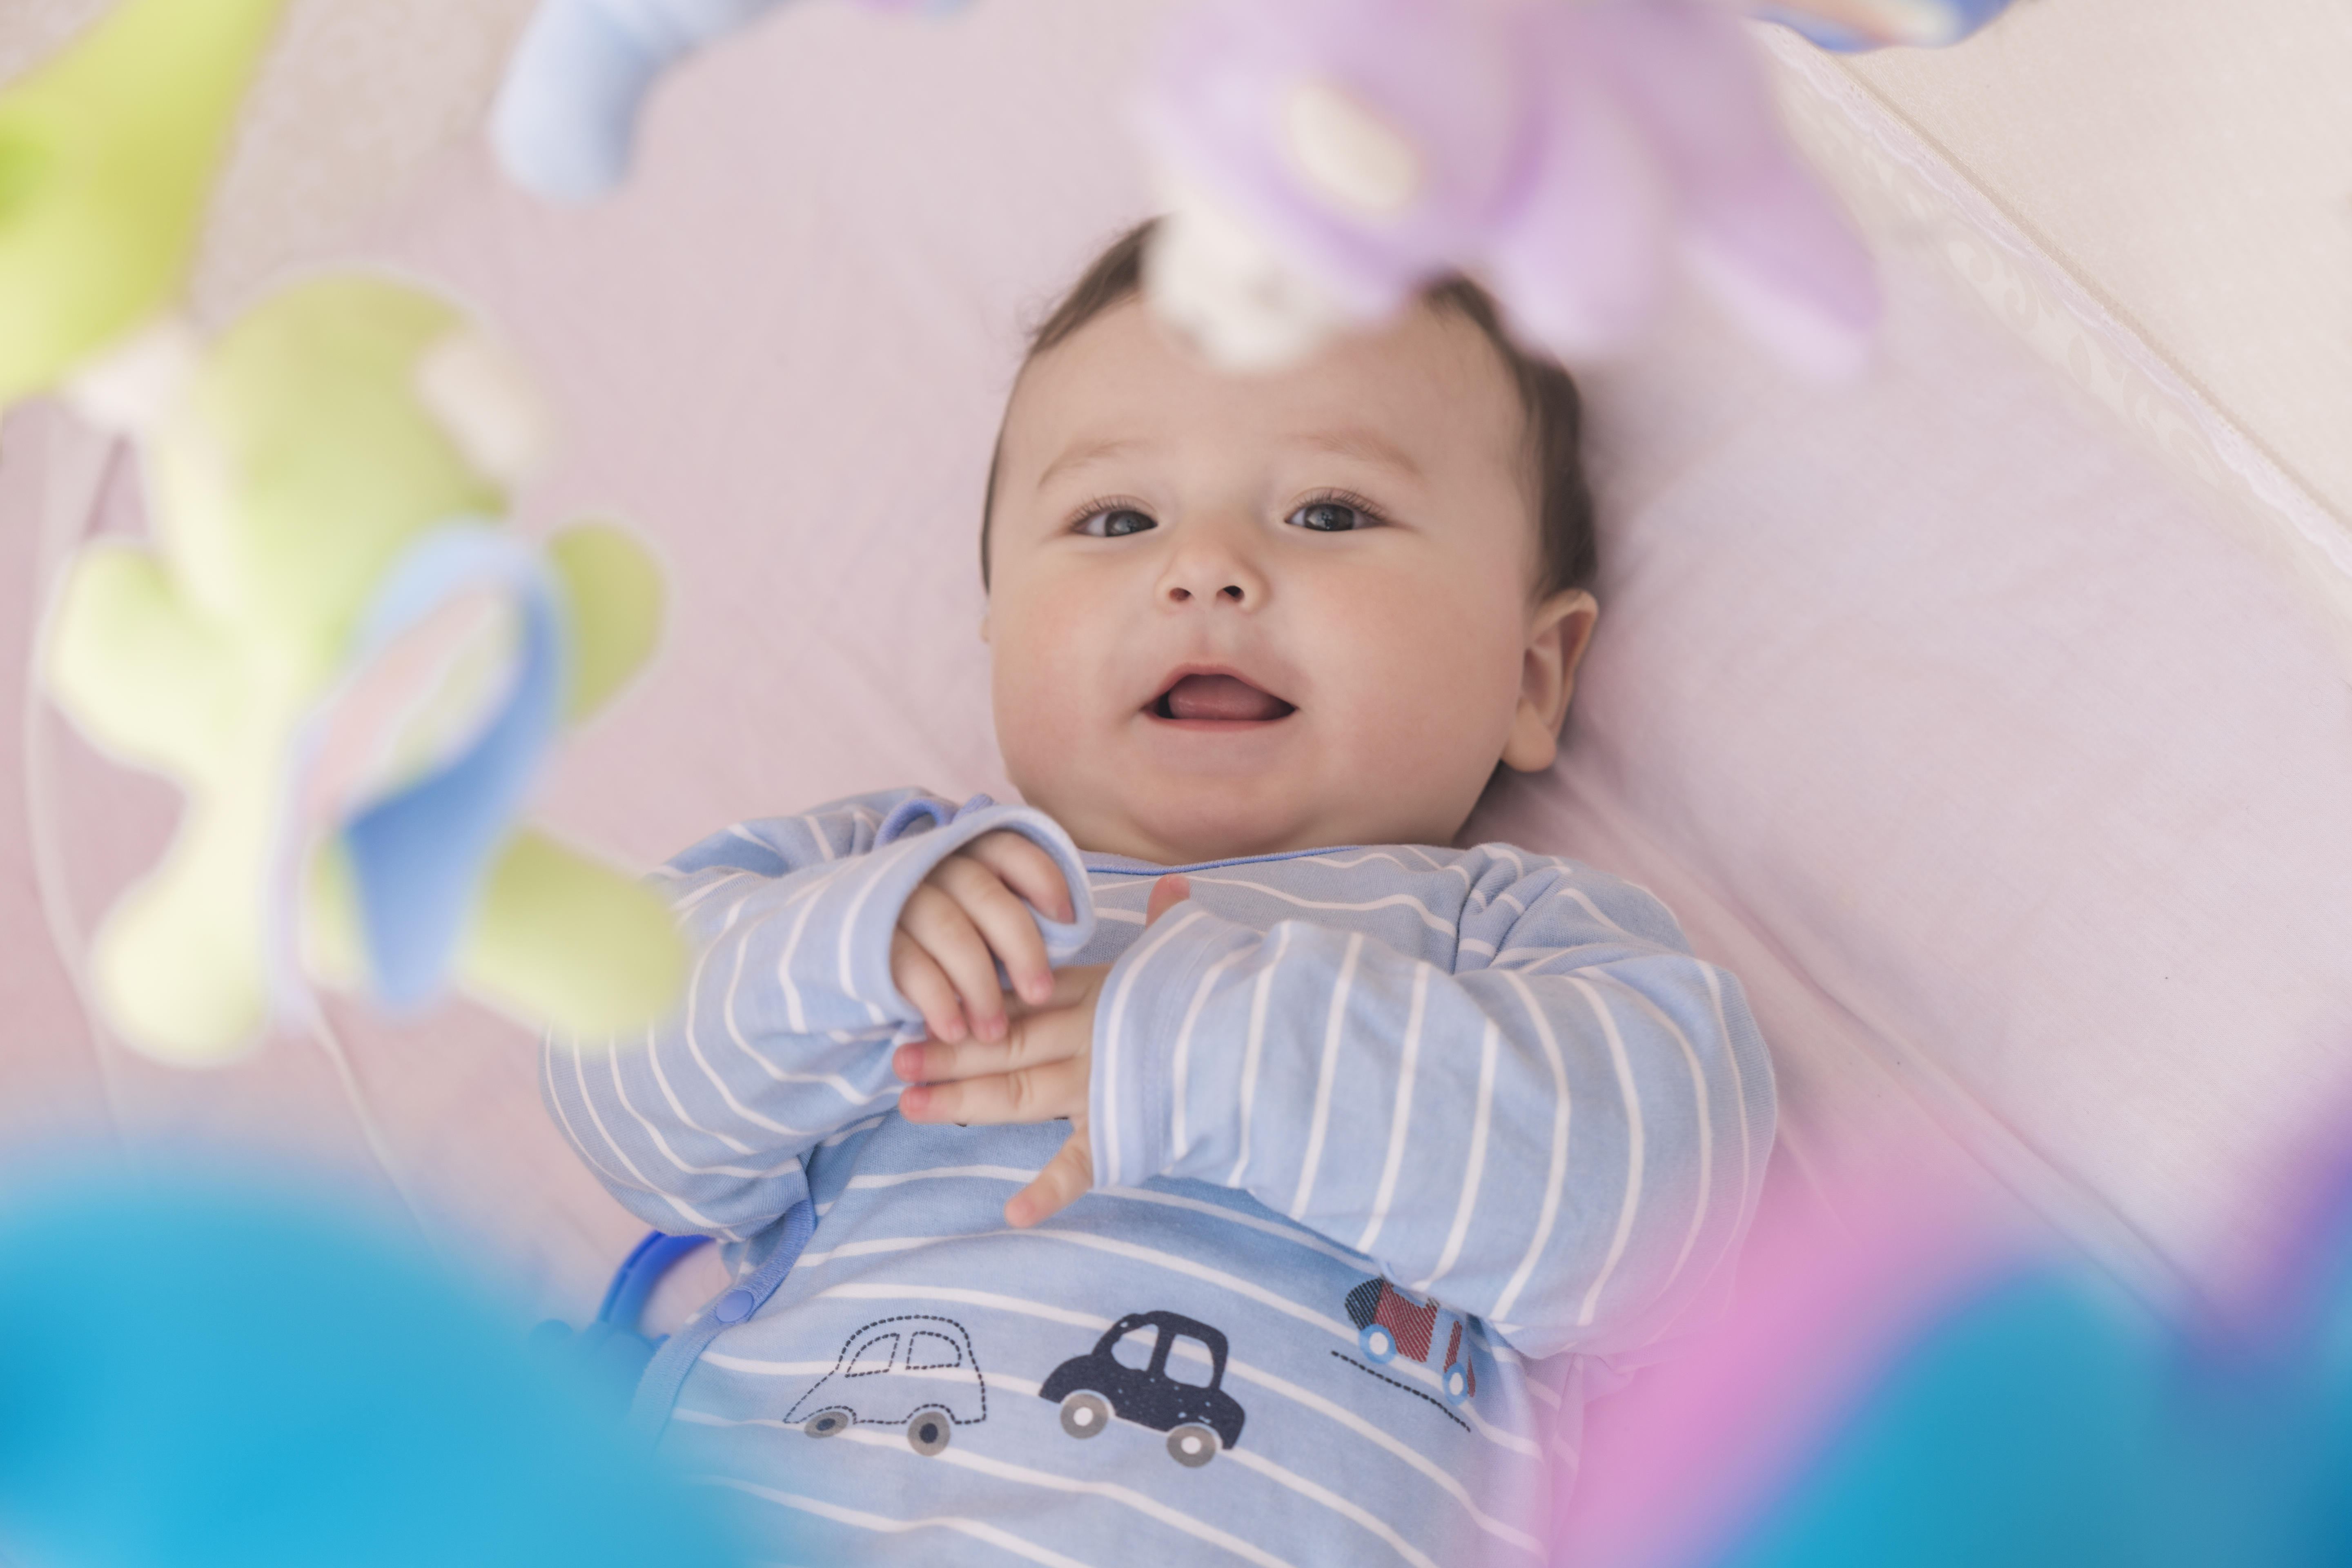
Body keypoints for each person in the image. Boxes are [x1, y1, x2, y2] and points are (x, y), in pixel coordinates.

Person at [543, 220, 1775, 1566]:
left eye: (1330, 512)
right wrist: (839, 956)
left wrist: (1222, 1049)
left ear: (1531, 675)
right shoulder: (882, 883)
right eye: (1116, 519)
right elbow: (617, 1075)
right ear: (1001, 630)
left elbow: (1660, 1234)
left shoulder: (1513, 951)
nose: (1206, 568)